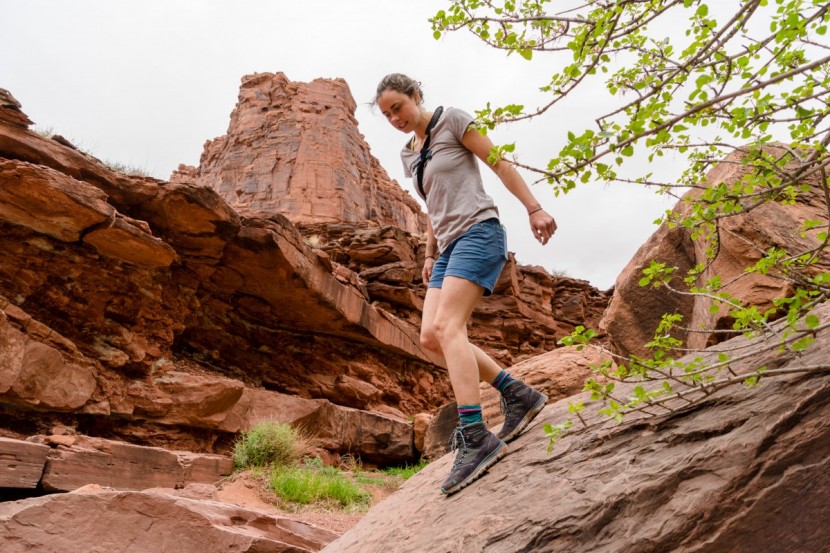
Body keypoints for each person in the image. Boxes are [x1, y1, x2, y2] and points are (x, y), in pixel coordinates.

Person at [374, 73, 557, 495]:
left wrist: (534, 208)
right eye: (386, 115)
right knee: (430, 337)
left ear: (416, 96)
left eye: (397, 107)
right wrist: (428, 253)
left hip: (479, 232)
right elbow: (432, 205)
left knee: (448, 328)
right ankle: (519, 395)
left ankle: (475, 436)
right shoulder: (411, 154)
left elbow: (499, 162)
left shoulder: (452, 120)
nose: (394, 118)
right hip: (448, 247)